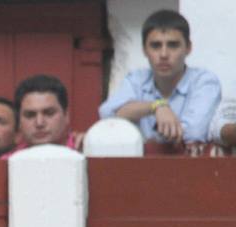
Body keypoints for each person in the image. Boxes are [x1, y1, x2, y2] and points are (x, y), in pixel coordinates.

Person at [98, 9, 220, 151]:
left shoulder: (204, 82)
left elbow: (193, 132)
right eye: (156, 46)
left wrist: (135, 124)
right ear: (144, 49)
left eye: (173, 45)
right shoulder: (137, 79)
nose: (163, 54)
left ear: (188, 48)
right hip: (139, 169)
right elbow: (107, 114)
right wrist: (157, 106)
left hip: (190, 169)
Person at [11, 74, 81, 152]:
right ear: (19, 121)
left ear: (66, 115)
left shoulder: (88, 154)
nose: (39, 123)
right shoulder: (5, 162)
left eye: (49, 113)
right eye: (30, 115)